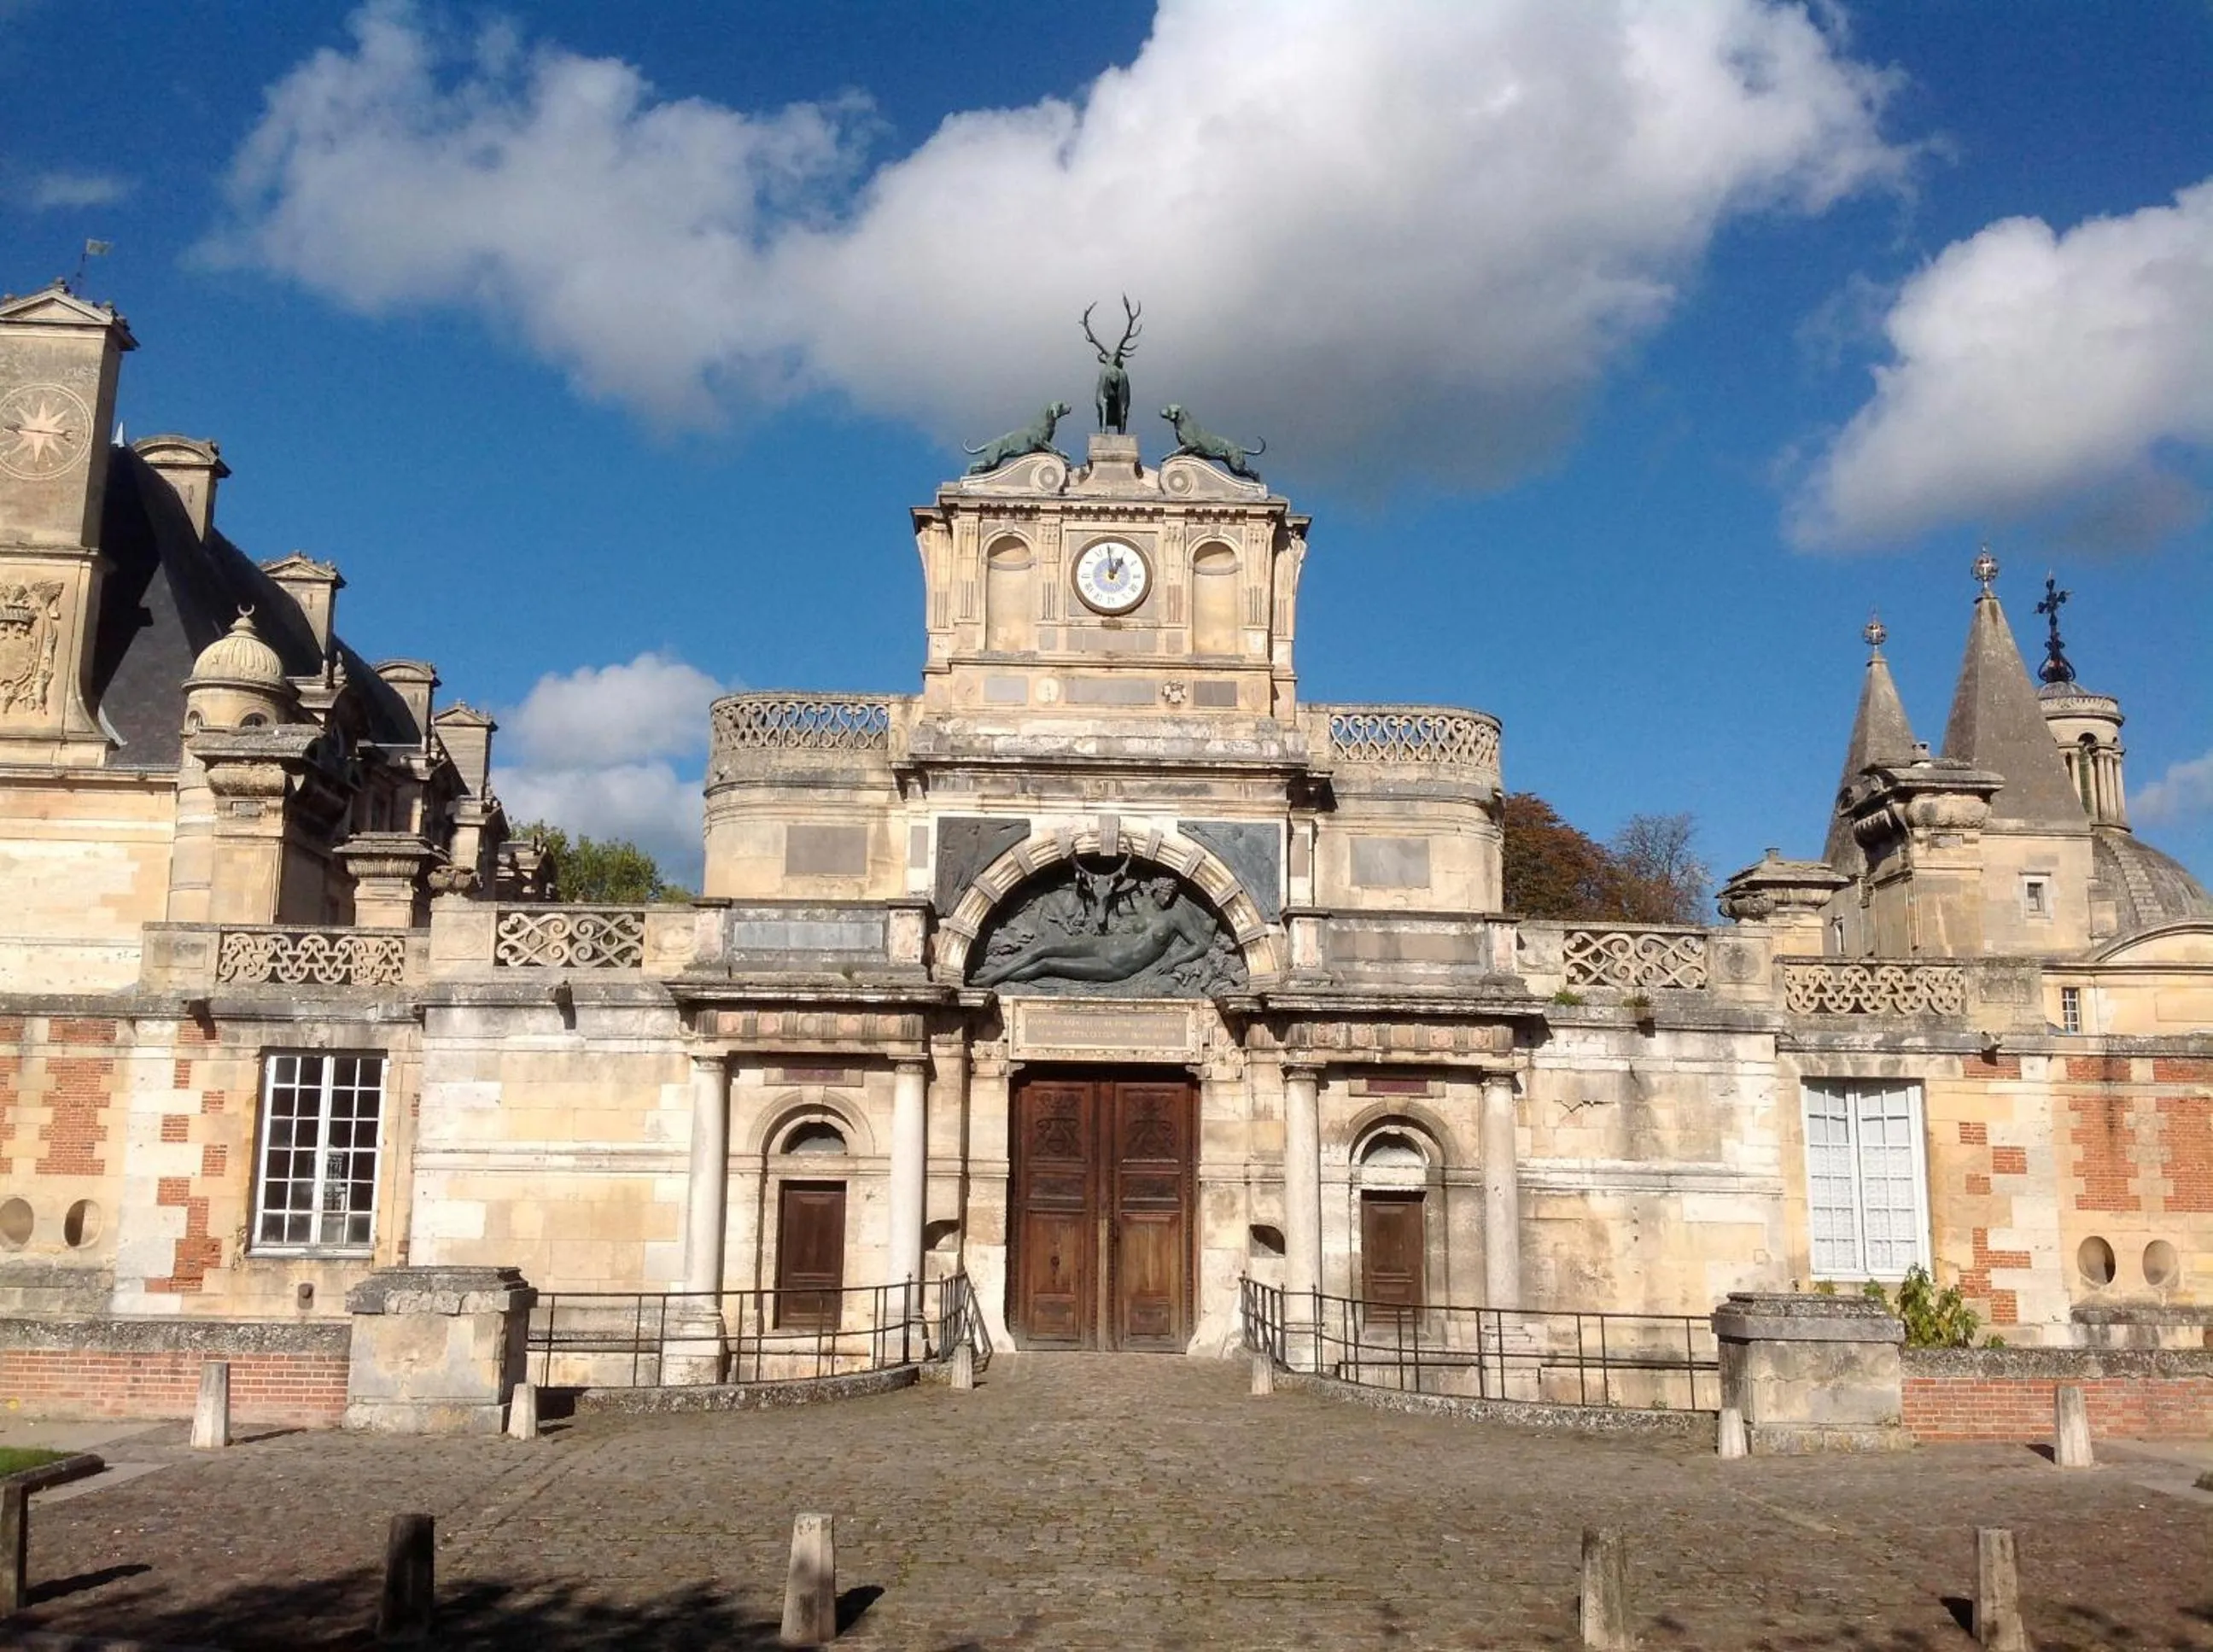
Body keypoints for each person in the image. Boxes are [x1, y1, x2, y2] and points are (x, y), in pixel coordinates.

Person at [974, 877, 1219, 988]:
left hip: (1119, 967)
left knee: (1047, 965)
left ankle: (1001, 980)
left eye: (1171, 894)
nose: (1168, 898)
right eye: (1163, 892)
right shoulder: (1141, 905)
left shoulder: (1176, 917)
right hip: (1107, 944)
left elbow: (1200, 945)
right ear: (1154, 890)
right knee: (1042, 947)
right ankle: (991, 978)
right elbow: (1104, 905)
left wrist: (1174, 961)